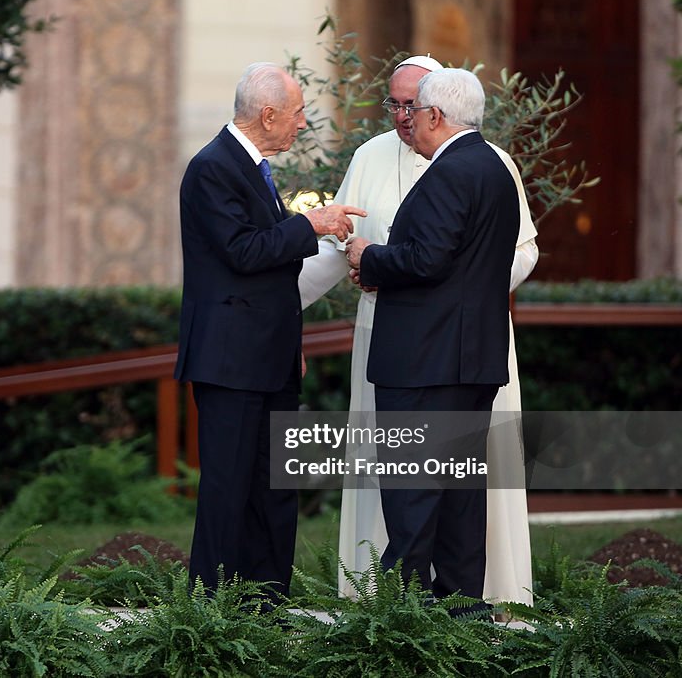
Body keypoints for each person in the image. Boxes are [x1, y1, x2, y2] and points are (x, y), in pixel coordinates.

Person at [299, 57, 537, 607]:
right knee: (458, 494)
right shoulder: (492, 167)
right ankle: (461, 605)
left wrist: (369, 256)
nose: (406, 119)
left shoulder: (450, 171)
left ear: (434, 114)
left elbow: (428, 260)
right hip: (472, 358)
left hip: (426, 361)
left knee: (411, 494)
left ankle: (402, 616)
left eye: (415, 108)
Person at [175, 62, 366, 600]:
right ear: (267, 114)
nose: (303, 124)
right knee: (228, 490)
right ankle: (210, 614)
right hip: (231, 364)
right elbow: (243, 253)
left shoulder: (252, 166)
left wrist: (292, 339)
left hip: (271, 357)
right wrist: (313, 223)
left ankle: (266, 606)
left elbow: (270, 275)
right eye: (298, 113)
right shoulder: (213, 167)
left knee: (274, 490)